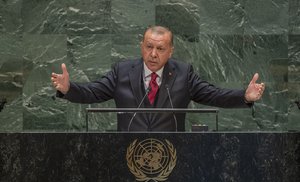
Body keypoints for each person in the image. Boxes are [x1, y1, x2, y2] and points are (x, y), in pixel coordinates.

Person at [51, 25, 265, 132]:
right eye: (149, 47)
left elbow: (214, 95)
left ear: (170, 51)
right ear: (142, 47)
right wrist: (69, 88)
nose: (153, 54)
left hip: (172, 157)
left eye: (160, 49)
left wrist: (244, 96)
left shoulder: (184, 74)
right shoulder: (122, 71)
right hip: (127, 155)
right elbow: (92, 92)